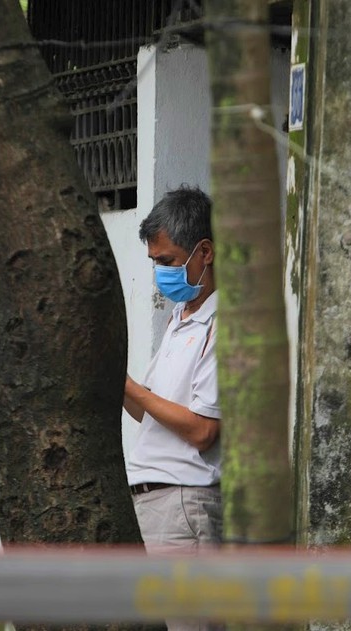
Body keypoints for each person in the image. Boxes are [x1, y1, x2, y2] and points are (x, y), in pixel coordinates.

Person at [124, 186, 222, 558]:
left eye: (168, 261)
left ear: (206, 252)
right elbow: (146, 411)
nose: (160, 273)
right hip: (155, 504)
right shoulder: (180, 318)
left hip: (182, 506)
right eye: (155, 262)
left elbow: (202, 430)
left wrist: (131, 387)